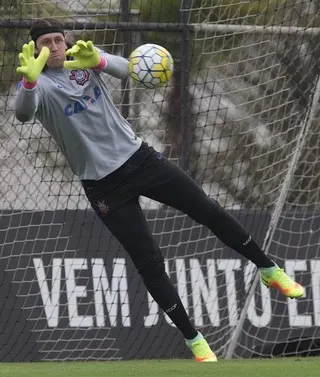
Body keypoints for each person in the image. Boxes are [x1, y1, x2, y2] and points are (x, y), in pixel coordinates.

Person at [14, 18, 304, 363]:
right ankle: (194, 340)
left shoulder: (85, 63)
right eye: (46, 41)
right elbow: (22, 114)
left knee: (206, 208)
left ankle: (269, 270)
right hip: (103, 185)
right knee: (149, 260)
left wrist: (100, 61)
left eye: (58, 39)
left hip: (140, 159)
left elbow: (133, 71)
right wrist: (29, 80)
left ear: (66, 42)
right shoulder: (37, 85)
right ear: (35, 49)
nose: (55, 46)